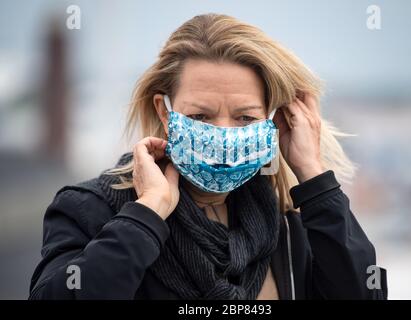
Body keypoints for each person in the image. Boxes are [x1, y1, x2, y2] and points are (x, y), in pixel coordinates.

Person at [29, 13, 387, 300]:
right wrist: (146, 215)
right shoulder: (91, 210)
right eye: (201, 116)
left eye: (245, 117)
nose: (225, 133)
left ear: (271, 122)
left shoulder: (286, 227)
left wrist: (313, 177)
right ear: (166, 113)